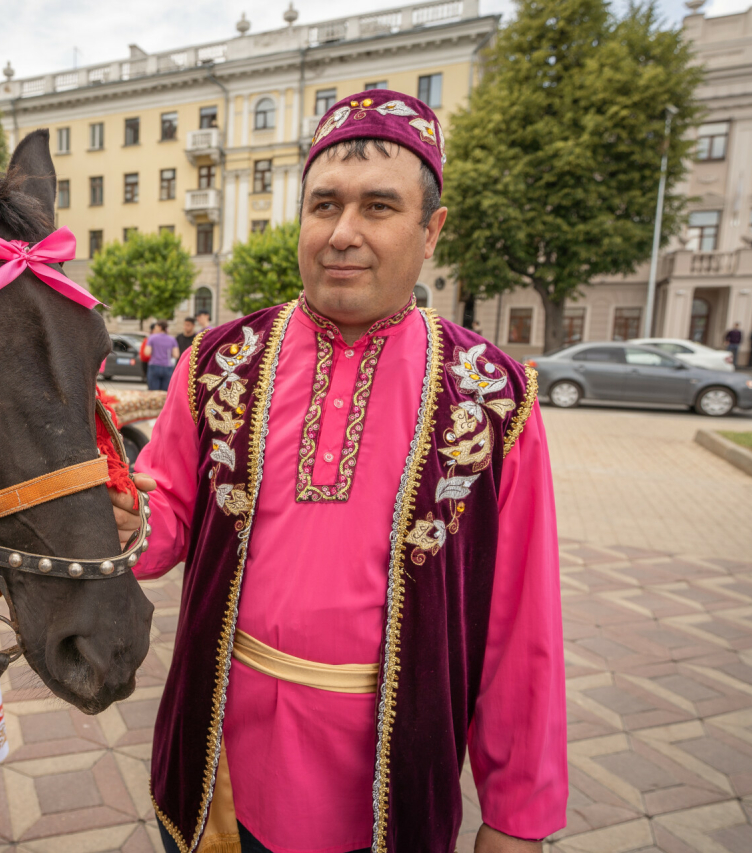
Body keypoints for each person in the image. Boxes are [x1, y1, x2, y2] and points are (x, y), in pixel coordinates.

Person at [112, 89, 566, 853]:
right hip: (217, 765)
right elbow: (167, 527)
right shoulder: (219, 363)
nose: (342, 233)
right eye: (323, 205)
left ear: (431, 233)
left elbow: (521, 628)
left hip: (391, 788)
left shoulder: (492, 396)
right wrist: (121, 519)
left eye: (379, 206)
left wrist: (517, 816)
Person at [145, 320, 180, 391]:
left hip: (154, 366)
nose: (155, 329)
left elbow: (147, 352)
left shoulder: (152, 338)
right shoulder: (172, 339)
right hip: (167, 367)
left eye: (156, 327)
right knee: (165, 393)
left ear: (160, 327)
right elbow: (176, 354)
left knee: (153, 393)